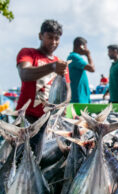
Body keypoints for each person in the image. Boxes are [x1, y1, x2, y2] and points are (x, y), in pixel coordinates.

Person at [16, 19, 70, 160]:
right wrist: (52, 67)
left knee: (43, 162)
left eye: (57, 39)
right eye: (50, 37)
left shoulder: (61, 64)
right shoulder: (28, 53)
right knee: (21, 160)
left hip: (50, 123)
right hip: (28, 120)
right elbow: (24, 74)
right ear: (40, 36)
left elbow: (68, 90)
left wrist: (63, 105)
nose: (53, 42)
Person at [67, 37, 95, 103]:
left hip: (81, 97)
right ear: (81, 46)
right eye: (85, 47)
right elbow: (92, 69)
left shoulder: (73, 57)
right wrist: (88, 55)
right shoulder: (74, 57)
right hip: (79, 98)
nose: (87, 49)